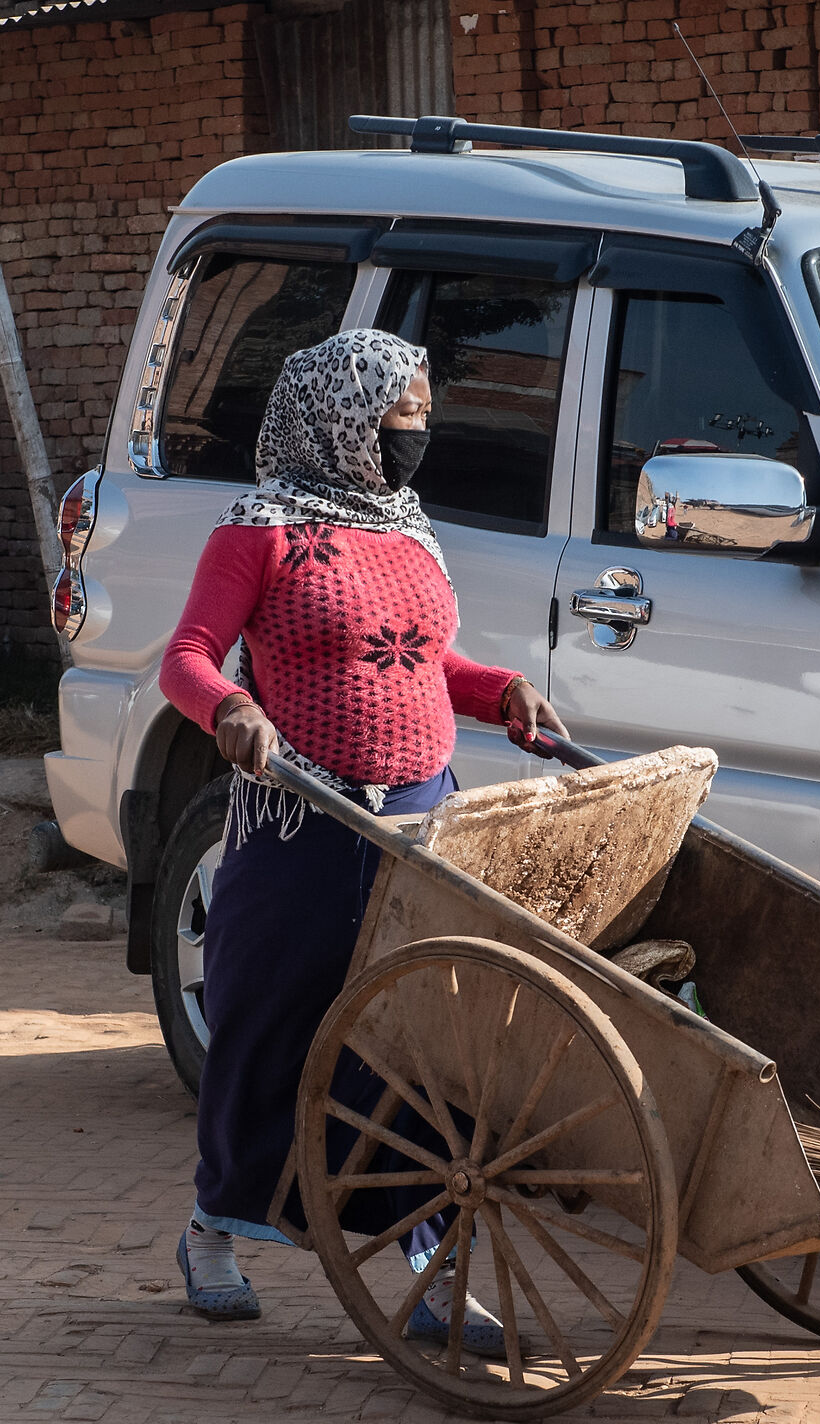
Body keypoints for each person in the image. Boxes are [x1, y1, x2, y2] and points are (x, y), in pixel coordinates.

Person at [157, 328, 564, 1342]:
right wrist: (230, 712)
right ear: (340, 421)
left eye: (422, 412)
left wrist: (499, 688)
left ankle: (425, 1258)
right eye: (400, 415)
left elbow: (432, 666)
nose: (417, 431)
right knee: (269, 1028)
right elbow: (189, 658)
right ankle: (214, 1223)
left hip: (420, 818)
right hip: (307, 823)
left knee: (422, 1040)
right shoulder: (256, 532)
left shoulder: (410, 533)